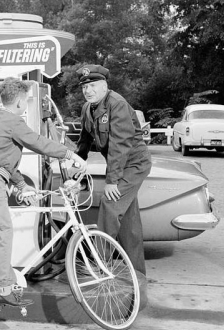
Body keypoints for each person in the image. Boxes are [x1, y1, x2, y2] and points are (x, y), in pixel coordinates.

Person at [0, 77, 87, 307]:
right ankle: (3, 287)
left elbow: (2, 160)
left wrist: (21, 185)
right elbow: (38, 142)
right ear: (21, 102)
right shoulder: (13, 121)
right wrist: (70, 155)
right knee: (3, 231)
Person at [74, 64, 152, 306]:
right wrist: (77, 162)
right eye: (85, 86)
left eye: (93, 85)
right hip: (120, 165)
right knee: (129, 222)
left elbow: (119, 145)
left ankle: (99, 264)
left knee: (110, 204)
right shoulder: (88, 108)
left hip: (133, 164)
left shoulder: (116, 103)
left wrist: (112, 181)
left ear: (105, 85)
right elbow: (85, 139)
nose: (88, 90)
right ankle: (137, 274)